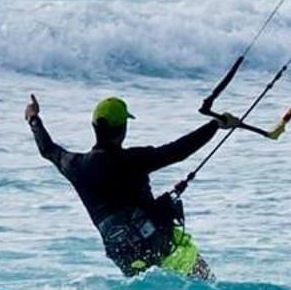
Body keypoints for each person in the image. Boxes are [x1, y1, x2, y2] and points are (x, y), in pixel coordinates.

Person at [24, 93, 238, 279]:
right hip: (162, 245)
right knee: (204, 284)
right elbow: (177, 151)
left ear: (94, 127)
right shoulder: (135, 159)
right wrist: (215, 125)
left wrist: (33, 119)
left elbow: (48, 150)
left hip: (125, 256)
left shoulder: (76, 166)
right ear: (123, 129)